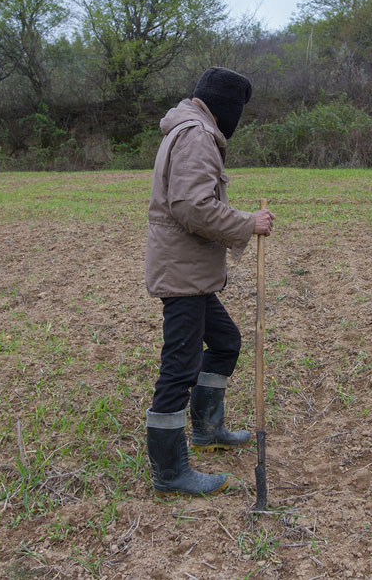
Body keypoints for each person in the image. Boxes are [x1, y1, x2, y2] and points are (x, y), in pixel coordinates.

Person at [144, 67, 275, 495]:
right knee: (179, 368)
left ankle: (207, 428)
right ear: (226, 108)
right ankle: (169, 472)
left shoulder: (190, 128)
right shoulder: (198, 135)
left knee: (225, 343)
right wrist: (246, 223)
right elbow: (192, 206)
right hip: (183, 275)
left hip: (191, 272)